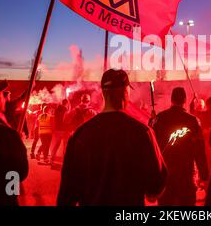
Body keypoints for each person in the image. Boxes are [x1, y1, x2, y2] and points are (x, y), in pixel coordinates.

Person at [57, 69, 167, 206]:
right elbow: (155, 187)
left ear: (103, 93)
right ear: (126, 93)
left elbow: (66, 196)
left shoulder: (80, 136)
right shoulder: (142, 133)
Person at [152, 87, 209, 206]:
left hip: (165, 175)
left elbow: (152, 146)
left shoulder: (159, 119)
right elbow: (199, 150)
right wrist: (204, 175)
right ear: (185, 100)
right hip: (186, 174)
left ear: (171, 99)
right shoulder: (193, 121)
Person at [50, 99, 71, 167]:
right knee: (65, 145)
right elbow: (67, 119)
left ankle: (52, 159)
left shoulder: (57, 109)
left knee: (56, 144)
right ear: (66, 103)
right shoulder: (65, 110)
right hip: (64, 129)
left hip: (57, 129)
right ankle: (65, 162)